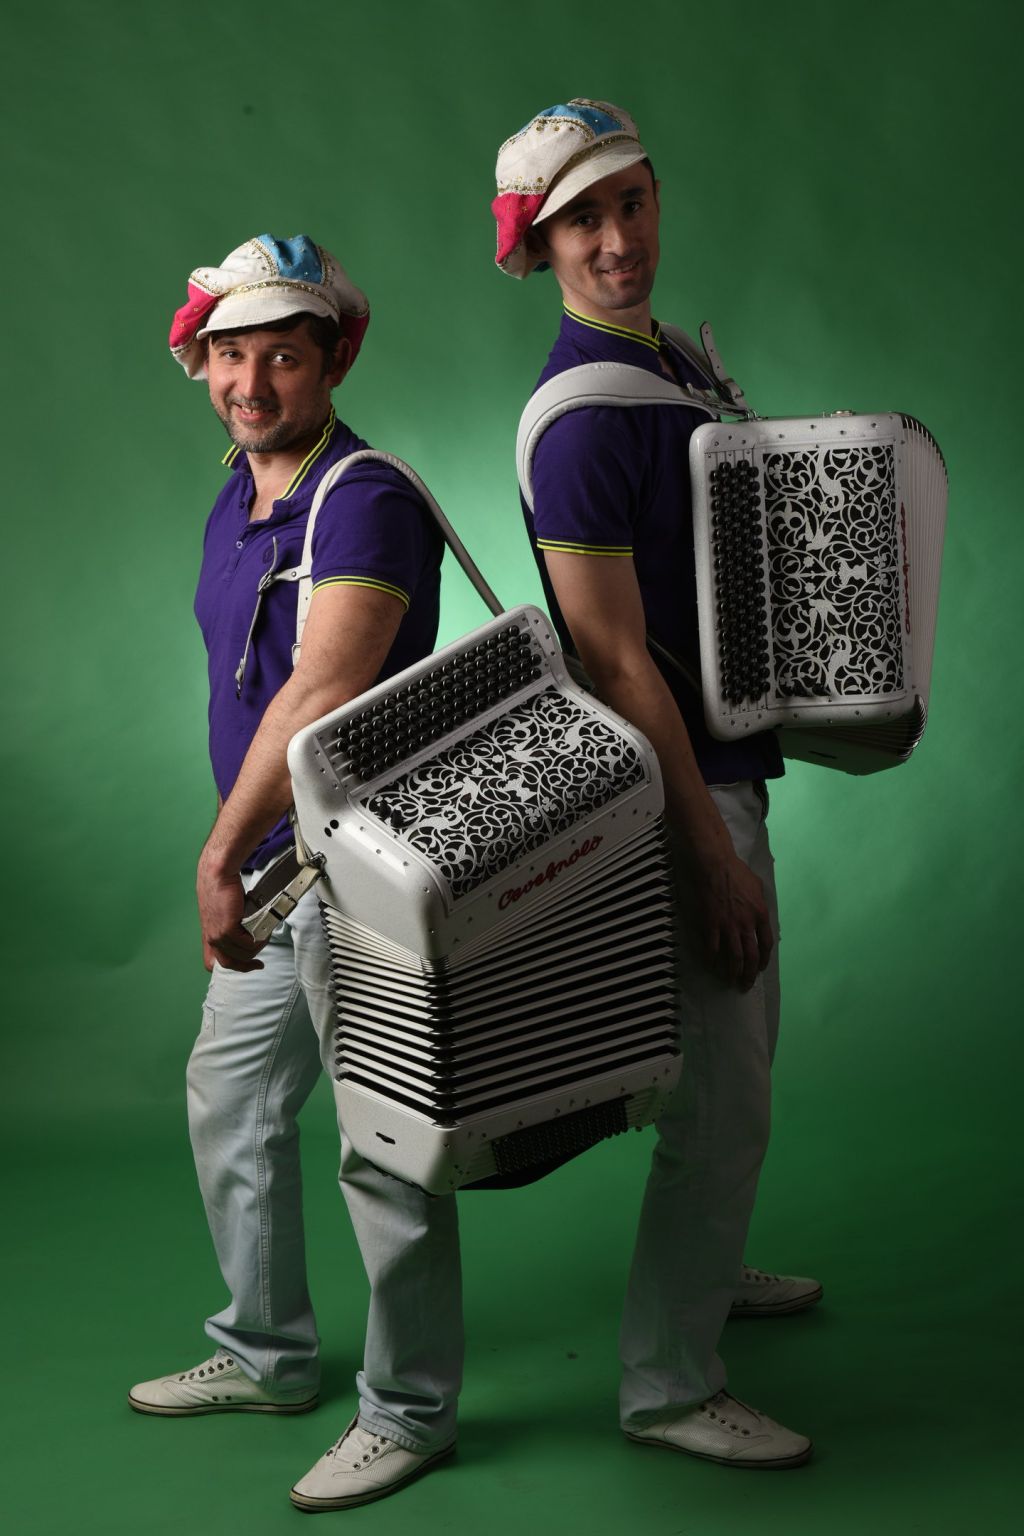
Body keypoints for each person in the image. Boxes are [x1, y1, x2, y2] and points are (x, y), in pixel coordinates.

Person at [488, 99, 817, 1465]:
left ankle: (709, 1268)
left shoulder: (672, 359)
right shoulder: (580, 422)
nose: (618, 239)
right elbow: (617, 661)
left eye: (632, 203)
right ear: (539, 245)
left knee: (741, 1063)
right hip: (678, 792)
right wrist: (710, 854)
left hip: (730, 757)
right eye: (583, 220)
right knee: (724, 1095)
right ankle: (669, 1385)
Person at [128, 237, 463, 1497]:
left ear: (332, 361)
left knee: (387, 1146)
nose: (252, 381)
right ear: (201, 361)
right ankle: (266, 1353)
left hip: (360, 872)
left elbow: (323, 689)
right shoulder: (241, 492)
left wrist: (218, 853)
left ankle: (410, 1411)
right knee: (232, 1104)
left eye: (282, 355)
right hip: (276, 873)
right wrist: (244, 855)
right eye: (231, 354)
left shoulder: (361, 498)